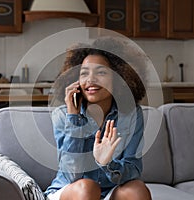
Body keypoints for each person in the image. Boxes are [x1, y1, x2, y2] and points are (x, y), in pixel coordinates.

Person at [45, 37, 151, 200]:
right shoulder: (62, 115)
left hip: (110, 190)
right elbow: (71, 175)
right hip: (72, 191)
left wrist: (107, 164)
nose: (90, 79)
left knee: (137, 189)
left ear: (119, 79)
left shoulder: (131, 114)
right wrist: (74, 119)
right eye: (84, 73)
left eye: (101, 72)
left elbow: (133, 169)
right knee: (87, 187)